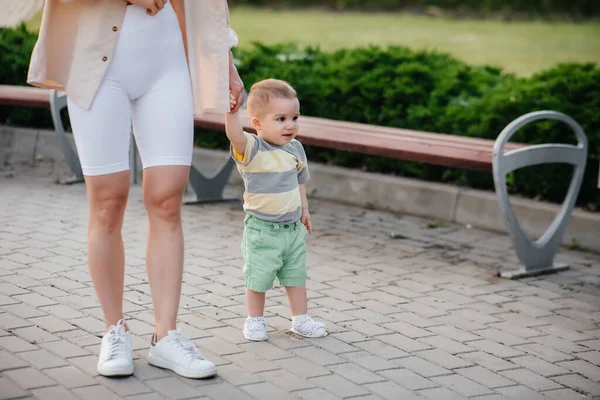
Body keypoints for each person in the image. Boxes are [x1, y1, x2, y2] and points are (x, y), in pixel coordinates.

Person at [26, 0, 244, 379]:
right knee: (108, 201)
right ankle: (115, 329)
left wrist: (225, 62)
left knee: (166, 198)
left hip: (168, 59)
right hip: (94, 61)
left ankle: (166, 336)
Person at [225, 79, 328, 341]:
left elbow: (299, 181)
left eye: (294, 117)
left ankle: (300, 320)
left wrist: (304, 209)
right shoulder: (252, 149)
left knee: (296, 276)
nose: (290, 125)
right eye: (281, 119)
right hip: (262, 230)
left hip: (292, 229)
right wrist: (231, 112)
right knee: (258, 277)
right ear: (258, 123)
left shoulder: (295, 149)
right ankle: (255, 320)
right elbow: (235, 135)